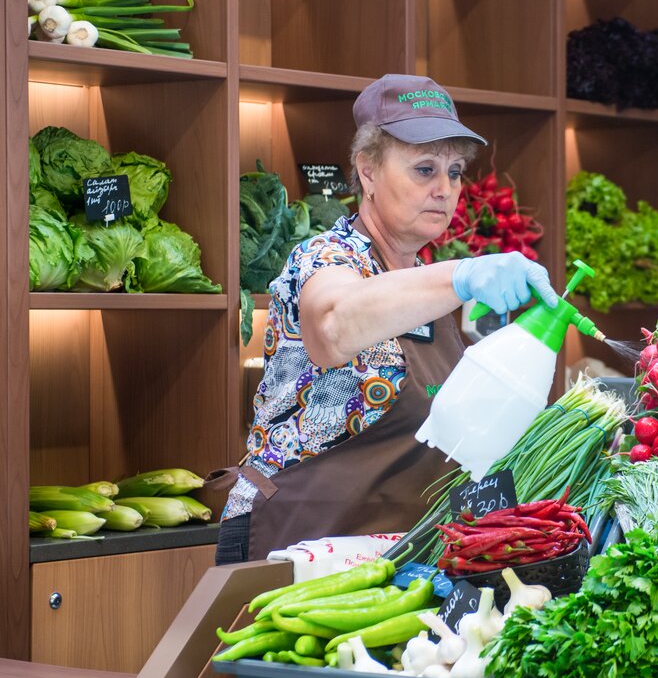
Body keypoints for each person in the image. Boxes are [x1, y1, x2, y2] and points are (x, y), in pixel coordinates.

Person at [212, 74, 558, 564]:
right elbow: (334, 326)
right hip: (295, 542)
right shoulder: (324, 259)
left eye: (455, 171)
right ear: (368, 171)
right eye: (424, 169)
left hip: (393, 552)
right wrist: (462, 274)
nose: (445, 189)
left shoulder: (424, 284)